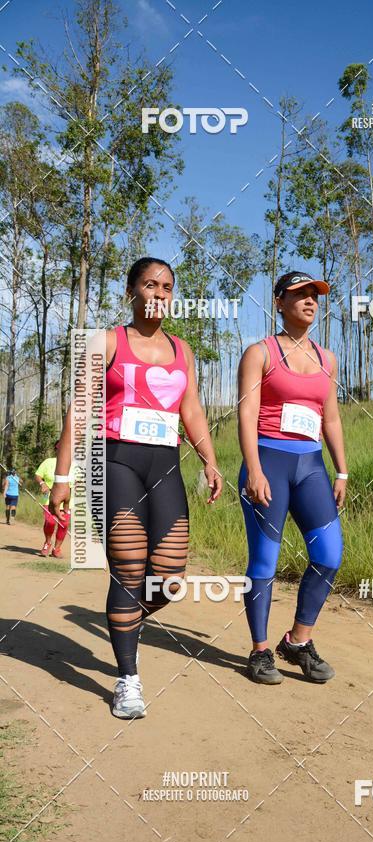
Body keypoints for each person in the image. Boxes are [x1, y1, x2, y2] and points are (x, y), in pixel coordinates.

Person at [49, 257, 222, 719]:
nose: (159, 293)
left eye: (167, 287)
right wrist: (63, 477)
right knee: (128, 569)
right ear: (131, 291)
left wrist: (209, 459)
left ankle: (124, 622)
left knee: (168, 578)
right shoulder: (107, 341)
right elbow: (79, 410)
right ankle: (127, 678)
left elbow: (192, 409)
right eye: (150, 284)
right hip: (115, 461)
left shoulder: (183, 351)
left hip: (164, 464)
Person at [237, 271, 347, 685]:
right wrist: (254, 468)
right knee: (264, 559)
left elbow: (330, 418)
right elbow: (247, 412)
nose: (310, 301)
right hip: (268, 462)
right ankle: (260, 651)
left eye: (314, 295)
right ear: (279, 302)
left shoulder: (327, 359)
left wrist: (342, 470)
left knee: (329, 555)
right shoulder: (260, 352)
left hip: (311, 465)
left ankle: (298, 641)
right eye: (300, 294)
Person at [34, 442, 73, 556]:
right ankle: (47, 543)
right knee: (50, 522)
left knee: (64, 524)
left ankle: (57, 549)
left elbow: (80, 480)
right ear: (56, 449)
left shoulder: (74, 465)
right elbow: (38, 475)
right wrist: (42, 484)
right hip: (49, 499)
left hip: (67, 501)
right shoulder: (48, 462)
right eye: (59, 448)